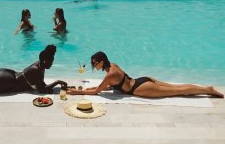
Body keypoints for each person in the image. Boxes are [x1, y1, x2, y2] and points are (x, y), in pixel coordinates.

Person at [67, 51, 224, 98]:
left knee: (177, 91)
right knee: (176, 87)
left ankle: (207, 90)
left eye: (95, 63)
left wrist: (77, 92)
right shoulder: (112, 66)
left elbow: (98, 91)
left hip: (141, 88)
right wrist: (87, 89)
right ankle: (205, 88)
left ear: (102, 61)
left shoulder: (109, 74)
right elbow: (104, 87)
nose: (94, 66)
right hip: (143, 79)